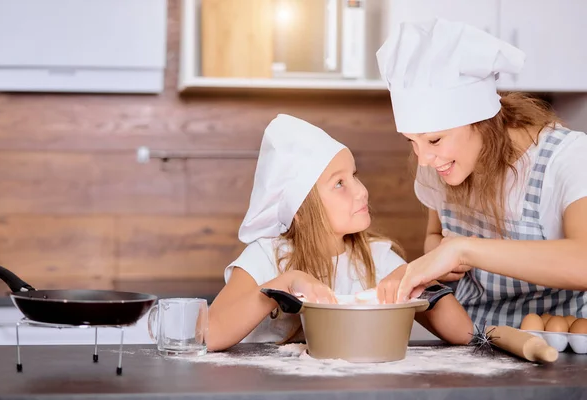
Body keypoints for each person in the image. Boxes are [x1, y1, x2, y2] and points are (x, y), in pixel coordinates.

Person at [375, 18, 587, 328]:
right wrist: (440, 259)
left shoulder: (566, 157)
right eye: (413, 142)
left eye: (434, 139)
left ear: (482, 122)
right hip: (475, 340)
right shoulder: (439, 163)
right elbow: (435, 237)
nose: (424, 160)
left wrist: (462, 251)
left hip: (558, 346)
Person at [205, 114, 473, 351]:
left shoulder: (377, 258)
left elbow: (464, 332)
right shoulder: (266, 257)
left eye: (354, 175)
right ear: (299, 210)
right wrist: (284, 284)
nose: (361, 190)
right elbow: (210, 334)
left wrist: (414, 276)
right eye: (339, 184)